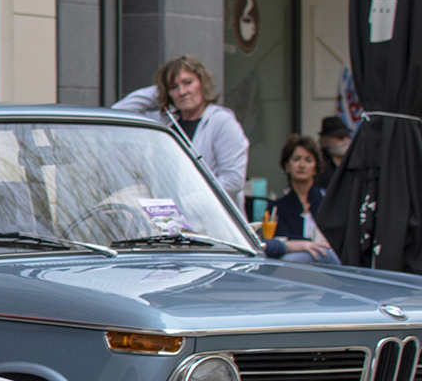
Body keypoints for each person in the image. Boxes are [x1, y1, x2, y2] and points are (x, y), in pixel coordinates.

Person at [111, 55, 249, 199]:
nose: (182, 92)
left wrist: (190, 203)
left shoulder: (221, 121)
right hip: (168, 217)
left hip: (208, 217)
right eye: (174, 87)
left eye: (188, 82)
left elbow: (233, 180)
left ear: (202, 82)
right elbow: (118, 111)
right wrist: (161, 90)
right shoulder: (165, 121)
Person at [263, 135, 338, 264]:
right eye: (296, 159)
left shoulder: (330, 203)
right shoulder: (276, 208)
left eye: (308, 160)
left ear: (316, 168)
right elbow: (272, 244)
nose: (302, 165)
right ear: (287, 166)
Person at [319, 115, 352, 181]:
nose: (346, 141)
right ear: (325, 141)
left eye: (348, 136)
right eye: (340, 137)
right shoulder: (320, 166)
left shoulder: (353, 163)